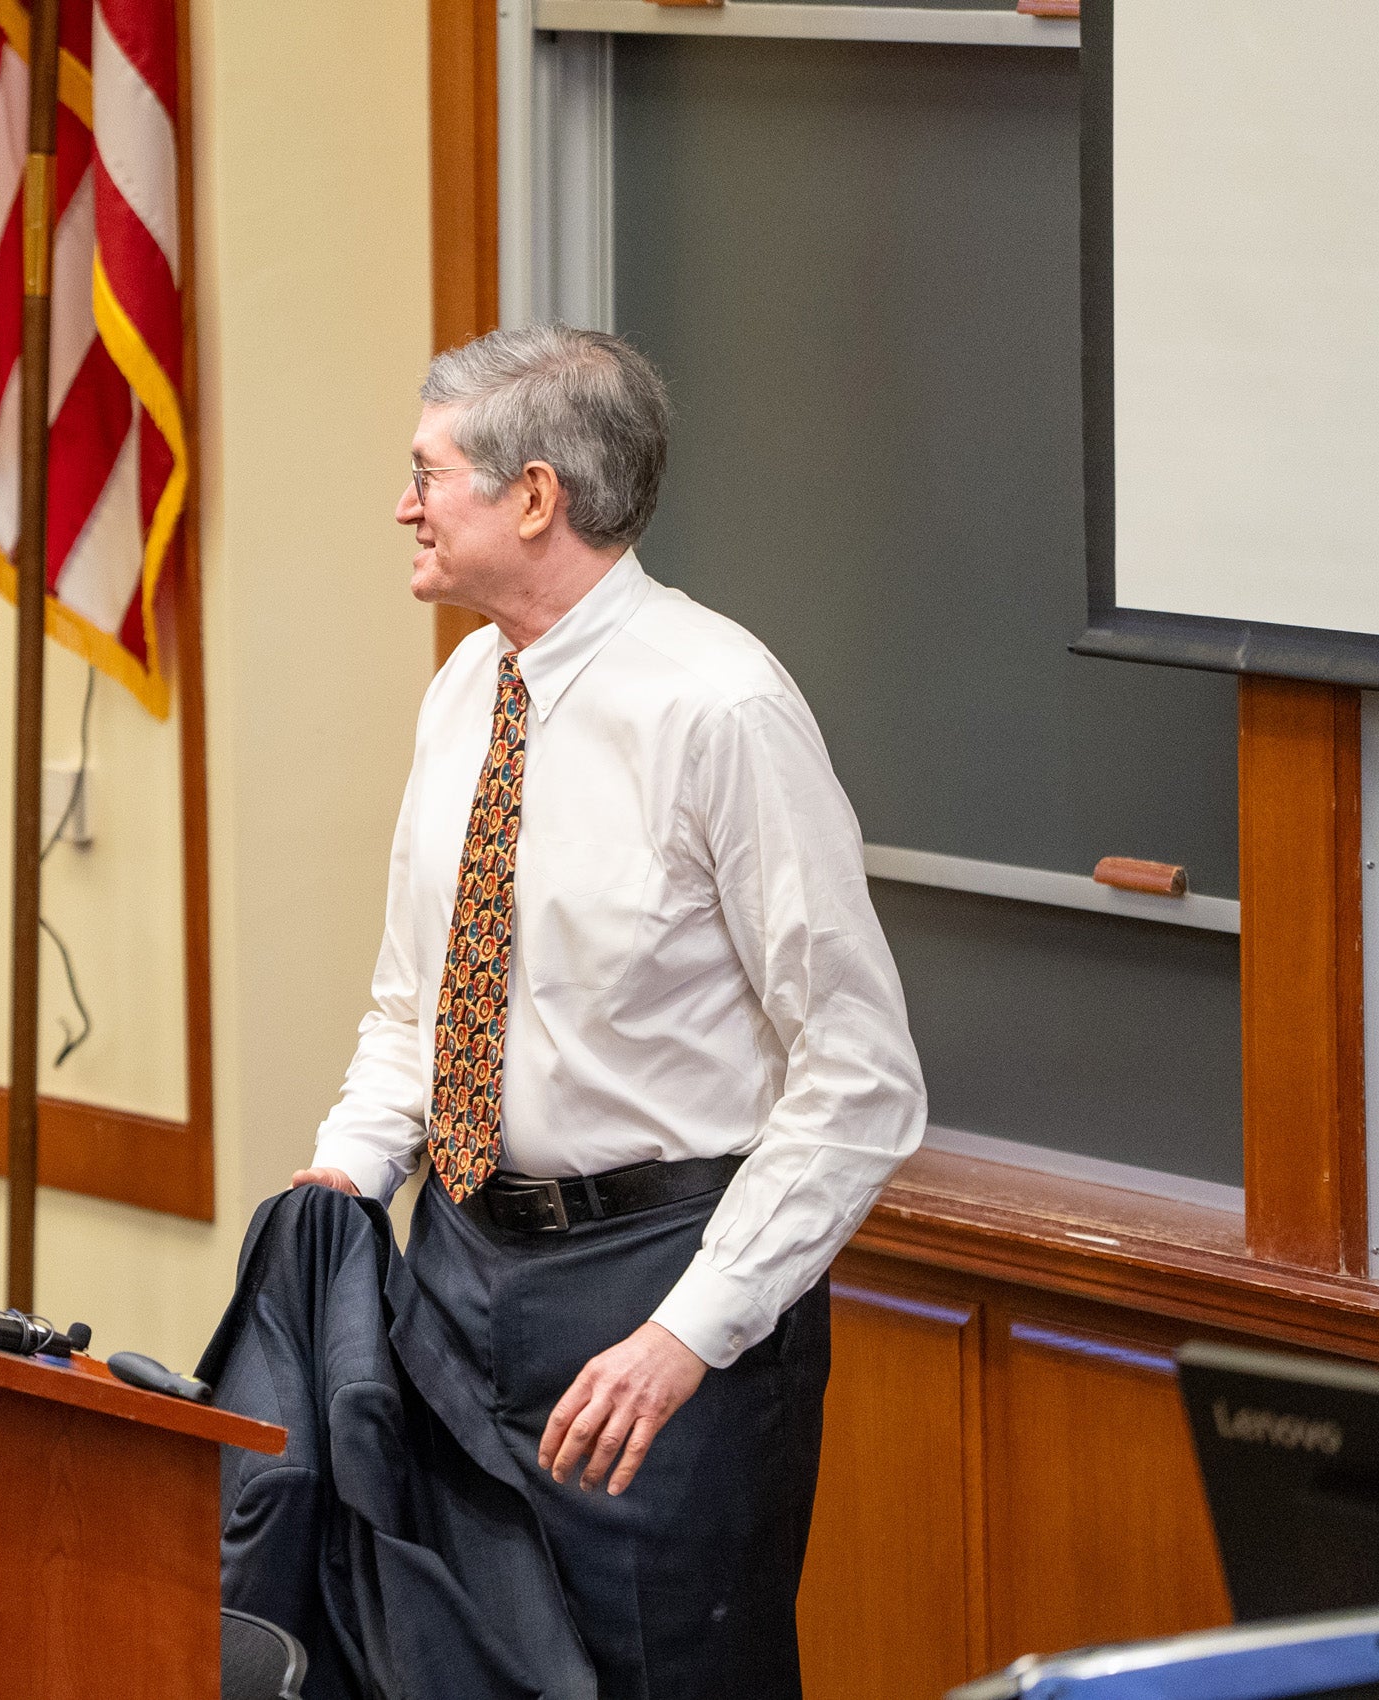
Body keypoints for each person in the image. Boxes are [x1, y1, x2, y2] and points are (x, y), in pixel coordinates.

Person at [292, 324, 927, 1696]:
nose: (401, 505)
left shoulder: (721, 708)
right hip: (452, 1270)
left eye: (426, 473)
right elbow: (423, 999)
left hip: (658, 1286)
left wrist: (684, 1337)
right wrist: (341, 1174)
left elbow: (860, 1079)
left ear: (534, 498)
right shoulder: (470, 689)